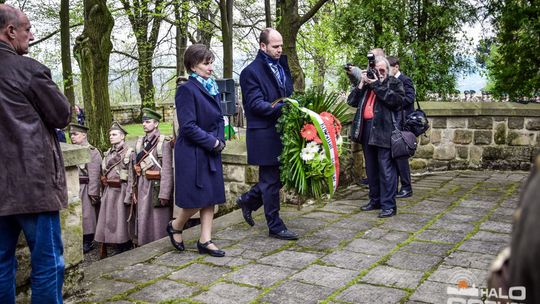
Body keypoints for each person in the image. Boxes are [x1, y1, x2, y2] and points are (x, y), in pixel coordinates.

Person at [0, 4, 71, 303]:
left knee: (2, 264)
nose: (31, 33)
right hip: (33, 185)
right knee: (47, 263)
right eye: (27, 28)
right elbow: (61, 114)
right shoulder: (28, 70)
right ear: (10, 31)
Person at [236, 28, 298, 240]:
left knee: (279, 178)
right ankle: (275, 225)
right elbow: (255, 105)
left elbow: (287, 92)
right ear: (263, 46)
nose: (280, 50)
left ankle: (249, 200)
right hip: (264, 134)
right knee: (271, 180)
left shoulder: (282, 66)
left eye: (281, 46)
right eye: (275, 46)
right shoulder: (250, 72)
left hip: (283, 132)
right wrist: (285, 106)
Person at [168, 44, 226, 257]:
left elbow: (219, 118)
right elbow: (188, 126)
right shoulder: (186, 90)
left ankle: (205, 240)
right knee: (198, 196)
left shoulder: (211, 87)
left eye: (211, 62)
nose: (210, 67)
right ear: (193, 66)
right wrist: (212, 142)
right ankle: (176, 225)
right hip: (193, 151)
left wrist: (220, 139)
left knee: (211, 195)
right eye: (206, 63)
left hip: (211, 148)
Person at [347, 56, 405, 218]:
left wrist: (377, 85)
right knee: (371, 169)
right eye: (376, 70)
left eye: (382, 71)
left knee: (386, 169)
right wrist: (362, 83)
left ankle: (389, 205)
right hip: (366, 131)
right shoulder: (367, 85)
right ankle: (375, 200)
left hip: (385, 131)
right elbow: (351, 101)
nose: (379, 74)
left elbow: (396, 101)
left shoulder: (394, 83)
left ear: (387, 71)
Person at [94, 122, 135, 258]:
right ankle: (113, 243)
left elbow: (131, 176)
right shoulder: (108, 153)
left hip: (121, 190)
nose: (111, 137)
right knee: (109, 219)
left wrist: (129, 195)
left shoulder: (129, 152)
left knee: (121, 220)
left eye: (114, 134)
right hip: (109, 190)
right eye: (110, 134)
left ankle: (124, 244)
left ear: (122, 136)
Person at [133, 108, 173, 246]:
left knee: (158, 218)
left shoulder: (163, 142)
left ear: (156, 124)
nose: (144, 124)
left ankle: (161, 245)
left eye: (148, 122)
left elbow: (167, 169)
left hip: (158, 186)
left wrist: (165, 193)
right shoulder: (140, 142)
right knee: (143, 216)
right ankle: (144, 244)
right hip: (143, 184)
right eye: (143, 122)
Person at [69, 123, 102, 253]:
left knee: (87, 216)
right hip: (74, 186)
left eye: (75, 134)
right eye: (71, 134)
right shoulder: (72, 149)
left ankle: (88, 240)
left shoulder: (92, 151)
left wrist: (93, 193)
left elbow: (94, 174)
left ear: (84, 135)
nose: (72, 137)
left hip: (85, 187)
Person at [387, 56, 416, 199]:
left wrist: (394, 102)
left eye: (389, 68)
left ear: (396, 67)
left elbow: (410, 98)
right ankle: (394, 186)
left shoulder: (405, 80)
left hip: (403, 123)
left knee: (401, 155)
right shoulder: (388, 81)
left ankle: (406, 187)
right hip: (392, 122)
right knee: (392, 156)